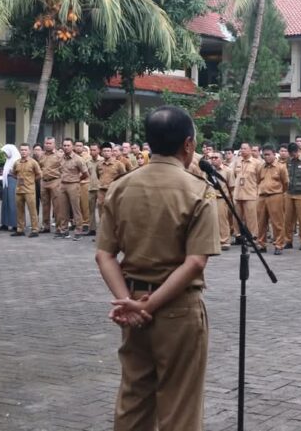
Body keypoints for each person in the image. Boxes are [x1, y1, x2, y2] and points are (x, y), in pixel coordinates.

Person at [96, 106, 218, 431]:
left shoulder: (120, 187)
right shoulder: (198, 190)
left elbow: (104, 255)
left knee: (133, 400)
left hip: (132, 307)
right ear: (188, 144)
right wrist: (149, 305)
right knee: (180, 407)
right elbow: (195, 262)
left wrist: (131, 303)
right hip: (177, 309)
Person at [256, 145, 289, 254]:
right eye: (264, 155)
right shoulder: (260, 167)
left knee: (277, 222)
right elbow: (258, 180)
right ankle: (261, 244)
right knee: (261, 222)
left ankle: (279, 245)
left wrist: (278, 192)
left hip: (275, 196)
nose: (266, 157)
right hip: (262, 196)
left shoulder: (281, 167)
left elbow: (286, 183)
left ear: (274, 154)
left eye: (268, 154)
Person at [55, 137, 88, 240]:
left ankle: (78, 231)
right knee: (62, 210)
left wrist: (77, 179)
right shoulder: (61, 158)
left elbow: (85, 174)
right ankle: (64, 231)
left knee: (76, 209)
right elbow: (60, 170)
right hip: (62, 185)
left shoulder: (78, 159)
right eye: (64, 145)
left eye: (68, 145)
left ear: (72, 146)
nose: (66, 147)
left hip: (74, 185)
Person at [11, 143, 42, 237]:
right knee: (19, 211)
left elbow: (39, 174)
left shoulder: (33, 162)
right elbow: (13, 173)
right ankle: (20, 229)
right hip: (19, 190)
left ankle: (35, 230)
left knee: (32, 211)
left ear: (29, 151)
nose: (23, 152)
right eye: (22, 150)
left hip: (29, 190)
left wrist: (31, 181)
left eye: (25, 150)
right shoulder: (16, 162)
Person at [233, 142, 261, 242]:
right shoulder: (237, 161)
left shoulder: (257, 163)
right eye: (241, 148)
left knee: (251, 218)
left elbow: (260, 179)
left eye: (245, 148)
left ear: (250, 150)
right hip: (238, 193)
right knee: (237, 217)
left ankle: (253, 236)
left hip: (250, 194)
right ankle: (238, 236)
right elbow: (234, 175)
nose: (242, 150)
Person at [211, 151, 235, 251]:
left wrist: (231, 202)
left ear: (221, 159)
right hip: (211, 197)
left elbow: (231, 187)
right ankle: (214, 240)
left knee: (222, 221)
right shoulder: (208, 170)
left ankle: (225, 241)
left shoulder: (227, 171)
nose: (213, 159)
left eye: (216, 157)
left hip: (222, 198)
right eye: (212, 158)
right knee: (211, 220)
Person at [38, 137, 62, 233]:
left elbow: (63, 168)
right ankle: (46, 226)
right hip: (44, 182)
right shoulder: (41, 155)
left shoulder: (59, 155)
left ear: (54, 144)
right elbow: (39, 167)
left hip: (55, 181)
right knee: (45, 205)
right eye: (46, 143)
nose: (48, 145)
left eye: (50, 143)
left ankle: (59, 227)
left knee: (57, 206)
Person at [0, 144, 20, 231]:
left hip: (13, 182)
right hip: (6, 183)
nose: (5, 154)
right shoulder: (8, 160)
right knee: (5, 203)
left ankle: (15, 224)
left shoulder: (17, 160)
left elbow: (18, 173)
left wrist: (10, 173)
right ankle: (5, 224)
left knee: (12, 203)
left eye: (6, 152)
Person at [97, 143, 127, 210]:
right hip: (101, 190)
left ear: (111, 152)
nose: (106, 153)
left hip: (113, 191)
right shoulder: (99, 164)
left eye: (108, 151)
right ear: (101, 153)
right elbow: (98, 176)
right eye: (104, 151)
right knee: (101, 209)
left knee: (113, 209)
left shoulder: (119, 164)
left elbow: (124, 177)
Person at [86, 143, 102, 237]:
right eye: (91, 150)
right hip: (91, 188)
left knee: (101, 211)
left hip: (101, 188)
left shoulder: (103, 161)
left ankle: (102, 230)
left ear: (99, 150)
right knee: (91, 210)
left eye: (94, 150)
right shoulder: (88, 162)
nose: (92, 152)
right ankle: (92, 229)